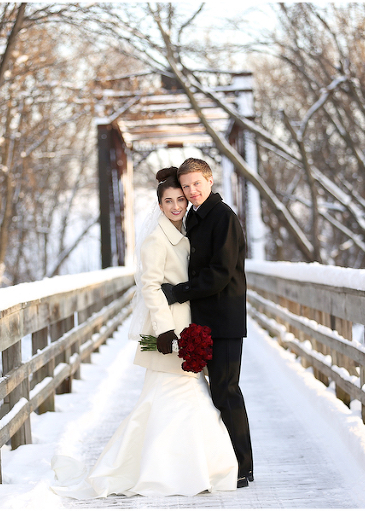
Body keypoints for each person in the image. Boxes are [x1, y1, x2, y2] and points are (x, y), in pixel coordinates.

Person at [51, 166, 238, 499]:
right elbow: (150, 287)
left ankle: (191, 469)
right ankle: (170, 471)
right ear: (160, 205)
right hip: (170, 332)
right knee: (170, 400)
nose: (178, 205)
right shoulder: (156, 240)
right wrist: (166, 330)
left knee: (176, 401)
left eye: (181, 198)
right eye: (169, 201)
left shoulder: (185, 234)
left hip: (188, 328)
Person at [161, 157, 254, 488]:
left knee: (227, 391)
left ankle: (242, 467)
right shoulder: (196, 217)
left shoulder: (223, 217)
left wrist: (180, 292)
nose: (191, 191)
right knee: (218, 392)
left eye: (196, 183)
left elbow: (220, 272)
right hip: (205, 320)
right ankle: (228, 463)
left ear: (210, 181)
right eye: (185, 186)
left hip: (224, 319)